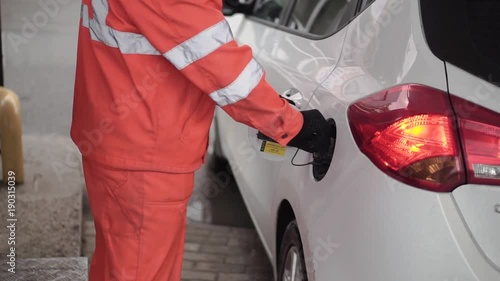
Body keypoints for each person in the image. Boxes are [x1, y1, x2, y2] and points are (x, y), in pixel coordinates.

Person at [71, 0, 332, 280]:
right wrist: (293, 124)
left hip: (120, 141)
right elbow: (220, 66)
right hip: (145, 155)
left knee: (118, 265)